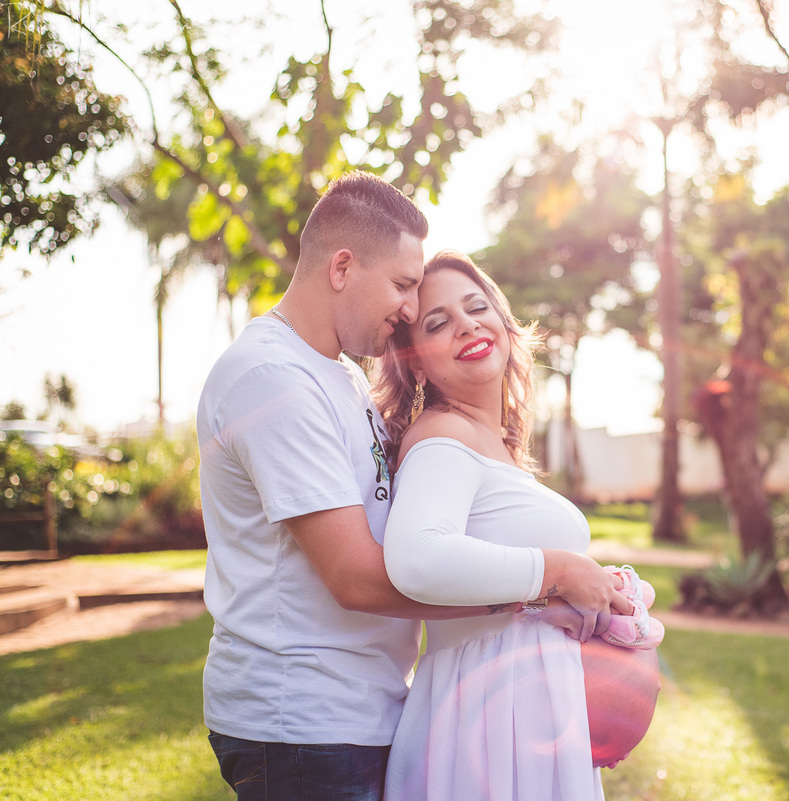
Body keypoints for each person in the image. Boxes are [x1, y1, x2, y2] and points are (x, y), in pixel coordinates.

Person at [197, 172, 631, 801]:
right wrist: (549, 581)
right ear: (342, 266)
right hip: (300, 723)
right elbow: (358, 577)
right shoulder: (274, 378)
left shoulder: (337, 378)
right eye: (404, 286)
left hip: (360, 710)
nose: (407, 308)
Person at [373, 250, 662, 801]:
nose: (466, 325)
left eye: (477, 307)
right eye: (438, 323)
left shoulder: (493, 446)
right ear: (415, 363)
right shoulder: (441, 439)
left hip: (526, 707)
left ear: (504, 325)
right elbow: (416, 558)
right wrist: (557, 569)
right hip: (491, 715)